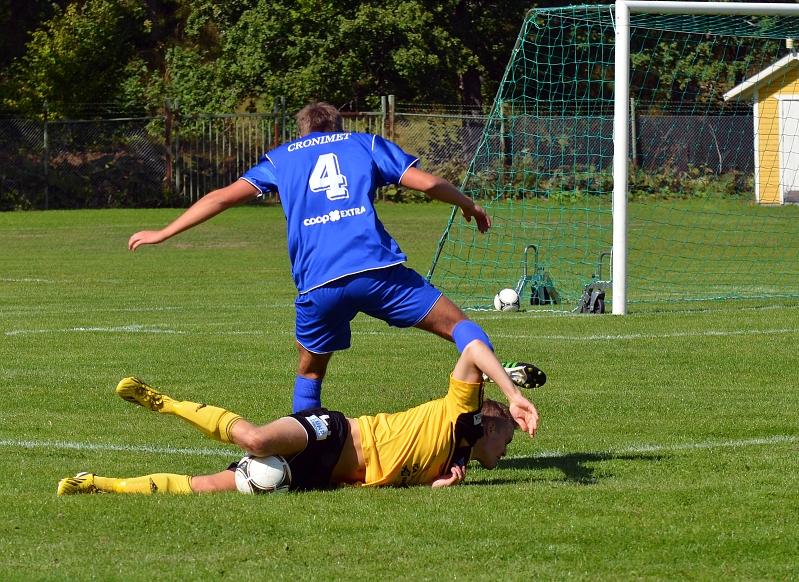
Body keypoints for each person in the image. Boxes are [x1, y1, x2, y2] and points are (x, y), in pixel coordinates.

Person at [128, 102, 544, 415]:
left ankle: (301, 447)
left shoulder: (282, 157)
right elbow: (429, 183)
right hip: (377, 272)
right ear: (338, 127)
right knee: (462, 327)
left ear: (303, 131)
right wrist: (468, 205)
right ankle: (494, 378)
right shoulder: (364, 144)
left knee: (309, 372)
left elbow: (221, 197)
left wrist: (163, 232)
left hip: (320, 283)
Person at [57, 339, 534, 495]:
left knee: (207, 487)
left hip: (322, 477)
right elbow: (472, 349)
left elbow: (405, 472)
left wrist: (438, 487)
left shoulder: (457, 464)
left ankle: (98, 483)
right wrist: (511, 393)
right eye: (508, 438)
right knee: (255, 440)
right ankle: (163, 401)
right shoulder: (460, 413)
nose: (508, 448)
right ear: (489, 422)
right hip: (336, 434)